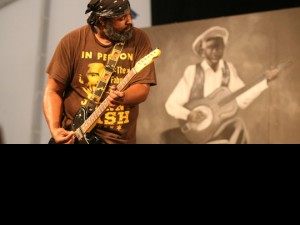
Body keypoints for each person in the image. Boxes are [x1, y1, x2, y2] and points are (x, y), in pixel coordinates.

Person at [43, 0, 157, 144]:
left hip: (119, 140)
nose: (129, 21)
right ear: (102, 20)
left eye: (129, 14)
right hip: (76, 137)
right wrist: (55, 129)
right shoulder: (71, 42)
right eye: (121, 18)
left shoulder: (139, 39)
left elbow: (143, 87)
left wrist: (124, 97)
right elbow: (53, 90)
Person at [161, 26, 277, 144]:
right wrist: (189, 115)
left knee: (238, 126)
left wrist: (264, 82)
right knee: (166, 137)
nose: (216, 51)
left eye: (219, 47)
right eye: (211, 47)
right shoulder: (192, 72)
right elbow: (171, 104)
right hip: (196, 131)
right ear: (202, 51)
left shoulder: (228, 70)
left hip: (218, 129)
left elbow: (241, 98)